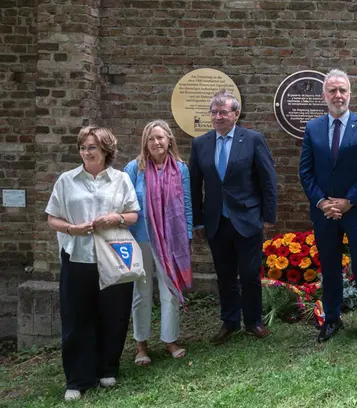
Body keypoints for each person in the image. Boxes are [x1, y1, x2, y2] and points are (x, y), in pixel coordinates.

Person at [45, 126, 140, 401]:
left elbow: (133, 214)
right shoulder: (66, 180)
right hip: (78, 256)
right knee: (77, 317)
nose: (86, 152)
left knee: (114, 314)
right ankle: (78, 379)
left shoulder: (121, 179)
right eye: (82, 148)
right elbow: (52, 217)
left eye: (92, 147)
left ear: (106, 150)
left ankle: (107, 368)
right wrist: (71, 229)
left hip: (113, 257)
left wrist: (116, 219)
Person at [299, 69, 357, 342]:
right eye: (332, 90)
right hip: (324, 212)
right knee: (330, 266)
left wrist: (349, 201)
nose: (338, 95)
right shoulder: (312, 129)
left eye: (342, 90)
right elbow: (305, 172)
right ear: (324, 95)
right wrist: (322, 202)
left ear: (350, 94)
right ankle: (332, 319)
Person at [189, 90, 278, 343]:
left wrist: (268, 216)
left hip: (248, 219)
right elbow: (194, 185)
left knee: (249, 275)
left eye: (223, 112)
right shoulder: (200, 143)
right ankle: (229, 321)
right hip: (216, 221)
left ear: (236, 114)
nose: (218, 117)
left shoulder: (253, 139)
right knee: (225, 275)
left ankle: (253, 321)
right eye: (214, 112)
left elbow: (268, 180)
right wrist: (197, 220)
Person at [124, 120, 193, 365]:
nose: (156, 142)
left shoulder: (180, 169)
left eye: (160, 137)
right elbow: (124, 203)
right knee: (141, 294)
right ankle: (141, 344)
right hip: (140, 239)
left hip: (172, 240)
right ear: (145, 143)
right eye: (151, 139)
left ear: (169, 140)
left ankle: (170, 340)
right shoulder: (134, 168)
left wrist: (187, 236)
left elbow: (186, 203)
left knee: (170, 291)